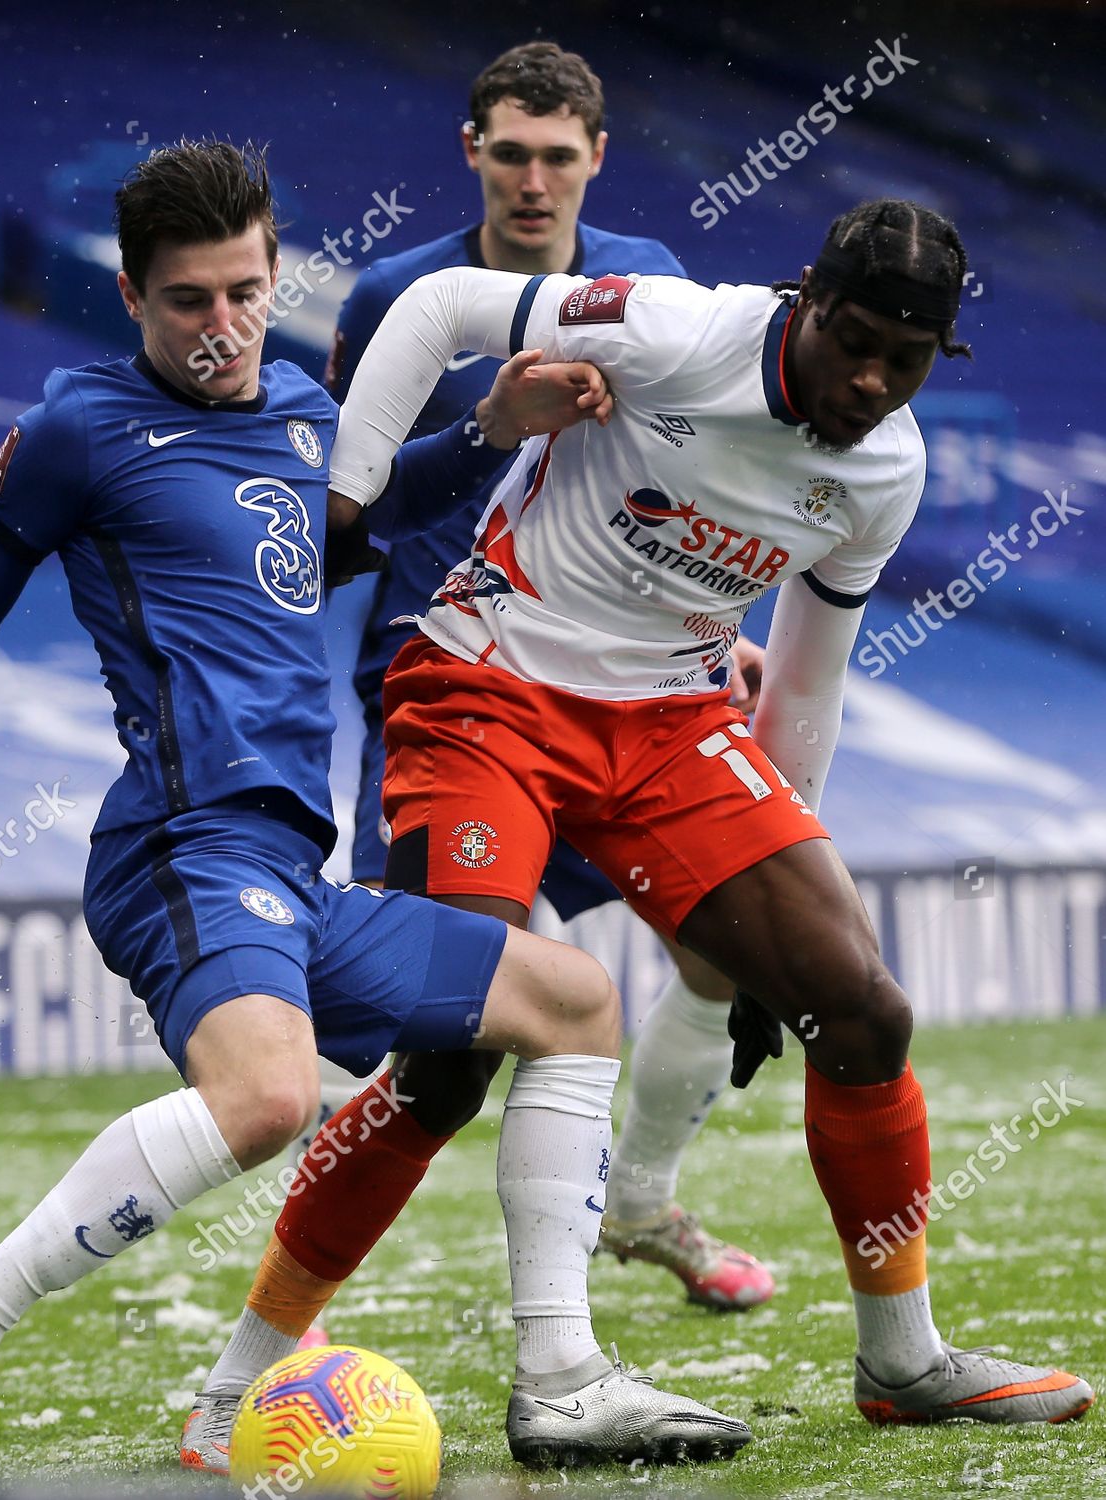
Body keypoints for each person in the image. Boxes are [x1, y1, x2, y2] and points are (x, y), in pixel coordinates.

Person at [0, 140, 754, 1493]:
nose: (225, 329)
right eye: (190, 301)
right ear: (131, 295)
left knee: (572, 1006)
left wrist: (487, 431)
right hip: (181, 846)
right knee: (265, 1099)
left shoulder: (303, 401)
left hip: (286, 869)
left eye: (245, 292)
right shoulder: (78, 430)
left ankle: (551, 1378)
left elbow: (338, 537)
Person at [198, 196, 1098, 1436]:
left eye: (911, 359)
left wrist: (761, 920)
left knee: (862, 1010)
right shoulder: (674, 330)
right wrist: (345, 494)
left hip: (673, 726)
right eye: (855, 342)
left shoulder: (888, 468)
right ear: (807, 302)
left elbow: (804, 685)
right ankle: (239, 1379)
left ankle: (902, 1362)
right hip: (489, 690)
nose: (874, 379)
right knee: (450, 1056)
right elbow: (445, 304)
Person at [332, 38, 770, 1306]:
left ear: (596, 160)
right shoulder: (393, 299)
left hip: (623, 682)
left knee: (720, 951)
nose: (533, 182)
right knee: (433, 1025)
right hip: (452, 681)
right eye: (509, 155)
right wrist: (487, 430)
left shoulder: (655, 284)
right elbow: (350, 517)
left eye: (557, 159)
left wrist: (713, 620)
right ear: (471, 152)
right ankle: (284, 1303)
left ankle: (639, 1206)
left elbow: (684, 486)